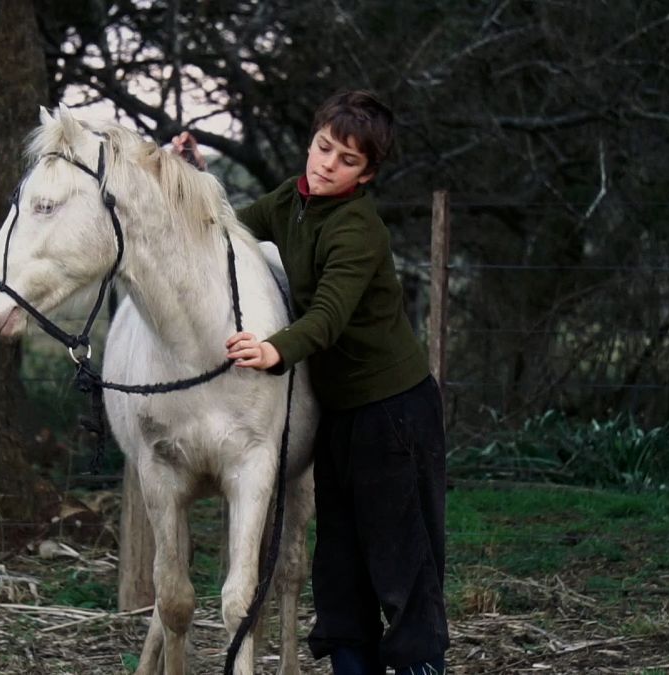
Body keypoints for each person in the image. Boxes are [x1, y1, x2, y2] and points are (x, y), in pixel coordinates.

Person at [173, 90, 448, 675]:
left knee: (402, 560)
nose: (327, 164)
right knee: (339, 562)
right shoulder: (292, 202)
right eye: (324, 147)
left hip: (394, 411)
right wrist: (192, 173)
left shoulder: (358, 229)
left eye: (346, 160)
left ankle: (421, 666)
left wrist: (274, 349)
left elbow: (327, 315)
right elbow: (229, 228)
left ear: (367, 173)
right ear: (313, 139)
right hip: (338, 412)